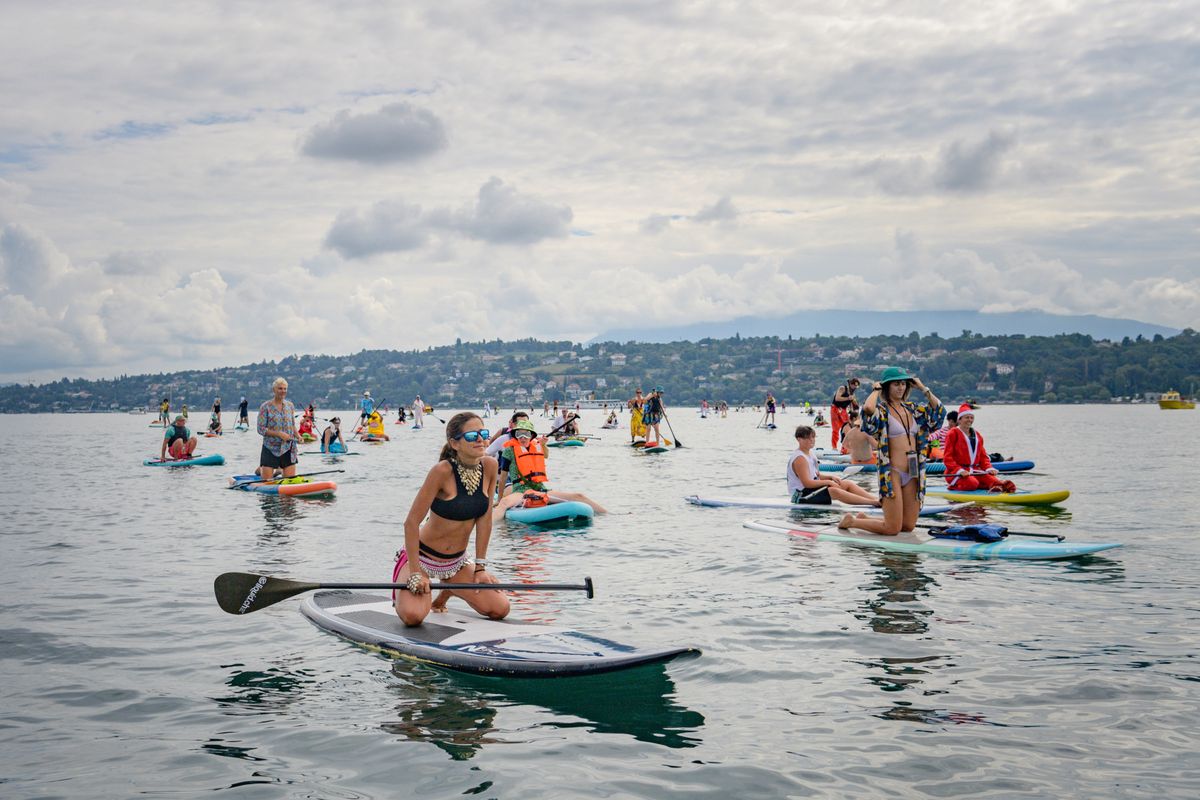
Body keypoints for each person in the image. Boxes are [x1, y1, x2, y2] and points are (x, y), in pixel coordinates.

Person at [392, 412, 507, 626]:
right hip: (422, 558)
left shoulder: (490, 466)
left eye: (483, 433)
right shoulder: (442, 471)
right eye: (472, 436)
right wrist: (416, 573)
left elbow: (484, 520)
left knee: (500, 609)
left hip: (457, 562)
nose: (481, 439)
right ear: (454, 443)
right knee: (413, 617)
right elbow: (411, 523)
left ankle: (449, 587)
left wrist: (480, 568)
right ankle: (412, 578)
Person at [840, 367, 944, 535]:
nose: (901, 387)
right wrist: (876, 390)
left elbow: (939, 414)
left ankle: (864, 519)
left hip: (913, 472)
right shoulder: (882, 411)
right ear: (887, 387)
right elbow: (867, 410)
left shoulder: (914, 410)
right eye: (896, 384)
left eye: (903, 383)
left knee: (908, 526)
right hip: (891, 472)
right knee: (892, 529)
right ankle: (852, 521)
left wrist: (924, 388)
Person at [495, 420, 606, 513]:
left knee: (579, 496)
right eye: (519, 434)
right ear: (515, 435)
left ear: (531, 436)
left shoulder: (537, 446)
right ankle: (495, 529)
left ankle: (608, 516)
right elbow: (503, 477)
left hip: (540, 489)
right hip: (520, 491)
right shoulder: (509, 451)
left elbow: (546, 455)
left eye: (526, 434)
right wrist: (499, 499)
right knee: (504, 503)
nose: (523, 438)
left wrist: (543, 444)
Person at [788, 425, 878, 506]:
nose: (811, 440)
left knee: (847, 484)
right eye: (807, 438)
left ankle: (875, 499)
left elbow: (816, 476)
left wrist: (831, 477)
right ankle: (872, 503)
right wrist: (828, 482)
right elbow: (807, 483)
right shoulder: (800, 458)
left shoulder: (810, 453)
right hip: (801, 495)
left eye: (813, 437)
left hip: (811, 490)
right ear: (799, 439)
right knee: (834, 491)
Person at [942, 405, 1015, 493]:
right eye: (967, 417)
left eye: (972, 418)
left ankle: (989, 486)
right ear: (959, 419)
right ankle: (953, 487)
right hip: (955, 473)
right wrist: (959, 470)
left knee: (998, 483)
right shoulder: (952, 433)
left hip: (975, 471)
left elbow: (983, 457)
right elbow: (947, 458)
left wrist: (989, 468)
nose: (970, 420)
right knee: (972, 484)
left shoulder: (977, 435)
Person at [256, 377, 298, 482]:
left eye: (285, 389)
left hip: (288, 448)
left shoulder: (290, 406)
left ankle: (278, 471)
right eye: (280, 388)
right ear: (274, 390)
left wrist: (298, 436)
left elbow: (292, 425)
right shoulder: (265, 407)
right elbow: (260, 429)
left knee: (290, 483)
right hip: (270, 448)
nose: (283, 391)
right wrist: (278, 434)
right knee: (267, 483)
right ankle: (262, 470)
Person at [830, 377, 862, 449]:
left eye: (857, 386)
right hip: (835, 408)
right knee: (835, 428)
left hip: (843, 410)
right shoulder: (842, 388)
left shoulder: (852, 394)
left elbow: (854, 406)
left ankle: (845, 447)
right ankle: (834, 447)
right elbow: (837, 398)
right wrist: (848, 398)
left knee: (847, 426)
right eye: (854, 385)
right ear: (851, 384)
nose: (855, 388)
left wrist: (854, 404)